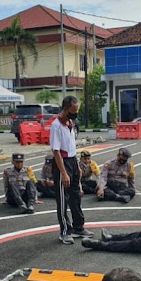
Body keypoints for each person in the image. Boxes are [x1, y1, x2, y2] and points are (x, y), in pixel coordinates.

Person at [50, 96, 94, 244]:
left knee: (76, 196)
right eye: (73, 110)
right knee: (63, 199)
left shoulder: (71, 123)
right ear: (66, 109)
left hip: (72, 161)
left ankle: (78, 227)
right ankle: (65, 231)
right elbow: (56, 151)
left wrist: (77, 167)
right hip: (62, 163)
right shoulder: (56, 125)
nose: (75, 113)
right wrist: (63, 173)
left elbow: (71, 147)